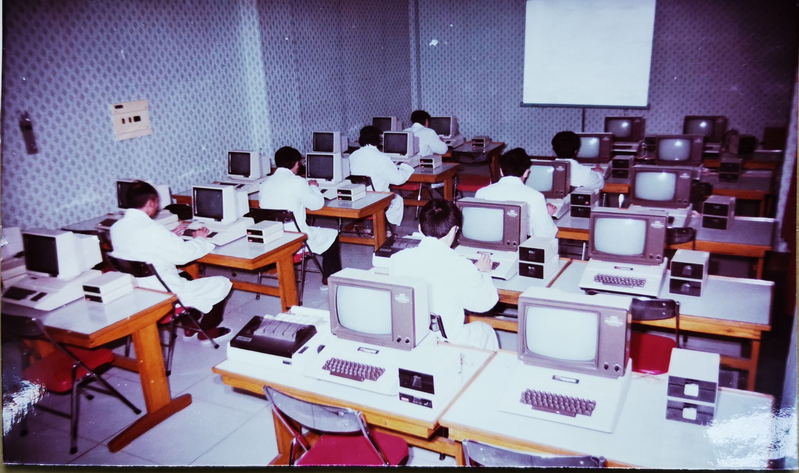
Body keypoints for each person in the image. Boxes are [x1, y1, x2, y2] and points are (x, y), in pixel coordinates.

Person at [110, 180, 232, 341]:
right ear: (151, 203)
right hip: (165, 294)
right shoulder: (153, 230)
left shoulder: (116, 228)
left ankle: (190, 325)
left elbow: (141, 247)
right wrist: (200, 239)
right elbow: (184, 256)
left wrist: (170, 236)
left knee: (185, 275)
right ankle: (208, 330)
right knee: (223, 283)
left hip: (139, 291)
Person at [389, 199, 499, 350]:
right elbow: (484, 304)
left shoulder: (398, 259)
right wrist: (483, 272)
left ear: (420, 228)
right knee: (486, 331)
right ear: (454, 230)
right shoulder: (461, 266)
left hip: (413, 337)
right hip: (449, 341)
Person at [258, 146, 342, 285]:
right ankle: (330, 278)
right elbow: (317, 205)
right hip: (296, 239)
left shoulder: (264, 184)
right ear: (296, 163)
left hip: (272, 238)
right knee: (332, 234)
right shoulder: (298, 182)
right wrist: (313, 187)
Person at [474, 147, 558, 239]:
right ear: (526, 173)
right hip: (521, 245)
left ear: (501, 171)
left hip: (486, 242)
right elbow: (546, 234)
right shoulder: (536, 197)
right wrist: (547, 214)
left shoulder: (481, 193)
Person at [348, 125, 414, 229]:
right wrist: (406, 167)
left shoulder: (353, 156)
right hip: (376, 199)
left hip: (357, 197)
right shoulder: (382, 158)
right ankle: (388, 229)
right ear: (379, 140)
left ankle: (368, 225)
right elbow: (398, 180)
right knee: (397, 200)